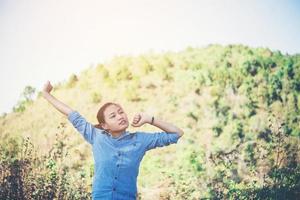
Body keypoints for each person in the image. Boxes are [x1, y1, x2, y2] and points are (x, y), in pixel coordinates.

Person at [42, 80, 184, 200]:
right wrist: (47, 95)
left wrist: (149, 119)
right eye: (113, 116)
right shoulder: (96, 136)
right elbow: (71, 113)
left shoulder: (140, 140)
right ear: (104, 125)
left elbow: (177, 133)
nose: (120, 116)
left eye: (121, 112)